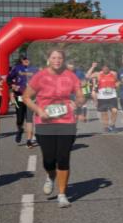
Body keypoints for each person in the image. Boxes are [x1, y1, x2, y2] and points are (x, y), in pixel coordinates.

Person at [22, 49, 84, 208]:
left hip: (67, 122)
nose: (57, 60)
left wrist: (76, 103)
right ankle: (50, 175)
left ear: (63, 60)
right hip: (45, 123)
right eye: (54, 57)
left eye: (60, 58)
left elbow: (80, 95)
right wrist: (39, 111)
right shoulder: (40, 76)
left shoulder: (71, 76)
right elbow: (26, 97)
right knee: (49, 159)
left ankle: (62, 194)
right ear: (48, 59)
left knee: (63, 158)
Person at [7, 54, 38, 147]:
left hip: (31, 98)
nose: (26, 60)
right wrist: (12, 86)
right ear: (21, 60)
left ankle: (29, 140)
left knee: (29, 119)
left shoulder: (35, 69)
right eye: (24, 59)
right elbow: (9, 79)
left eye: (28, 58)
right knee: (20, 119)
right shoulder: (17, 68)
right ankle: (20, 129)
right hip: (19, 97)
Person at [87, 61, 119, 133]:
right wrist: (93, 67)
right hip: (102, 97)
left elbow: (118, 81)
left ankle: (112, 125)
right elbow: (88, 76)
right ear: (102, 68)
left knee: (115, 111)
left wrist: (117, 84)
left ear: (109, 68)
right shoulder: (98, 74)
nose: (105, 70)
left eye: (106, 69)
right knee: (104, 113)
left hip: (112, 96)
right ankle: (106, 127)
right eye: (103, 68)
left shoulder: (114, 73)